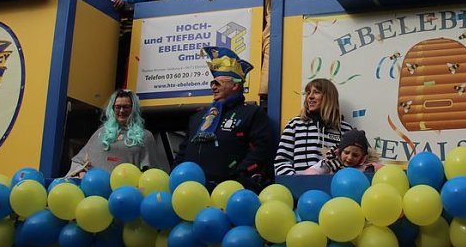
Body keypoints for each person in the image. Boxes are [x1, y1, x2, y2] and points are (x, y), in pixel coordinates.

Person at [174, 46, 274, 190]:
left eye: (217, 83)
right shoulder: (198, 117)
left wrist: (240, 175)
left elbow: (262, 150)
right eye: (212, 83)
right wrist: (175, 173)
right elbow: (183, 151)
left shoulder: (252, 113)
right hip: (189, 191)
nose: (213, 87)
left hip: (230, 192)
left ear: (235, 85)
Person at [66, 89, 158, 177]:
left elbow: (150, 170)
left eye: (126, 107)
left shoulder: (145, 136)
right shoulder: (100, 133)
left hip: (126, 190)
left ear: (133, 109)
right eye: (118, 107)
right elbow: (79, 161)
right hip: (96, 189)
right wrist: (82, 173)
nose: (121, 111)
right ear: (112, 109)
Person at [274, 78, 353, 175]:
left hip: (333, 187)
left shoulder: (346, 130)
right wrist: (296, 181)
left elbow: (355, 162)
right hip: (300, 187)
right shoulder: (295, 125)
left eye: (316, 92)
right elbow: (282, 162)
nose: (310, 97)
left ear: (329, 97)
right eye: (308, 93)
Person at [302, 129, 381, 174]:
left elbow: (381, 170)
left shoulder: (366, 168)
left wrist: (374, 170)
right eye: (346, 153)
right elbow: (312, 171)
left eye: (355, 155)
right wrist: (315, 177)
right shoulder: (330, 162)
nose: (350, 158)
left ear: (363, 157)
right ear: (339, 152)